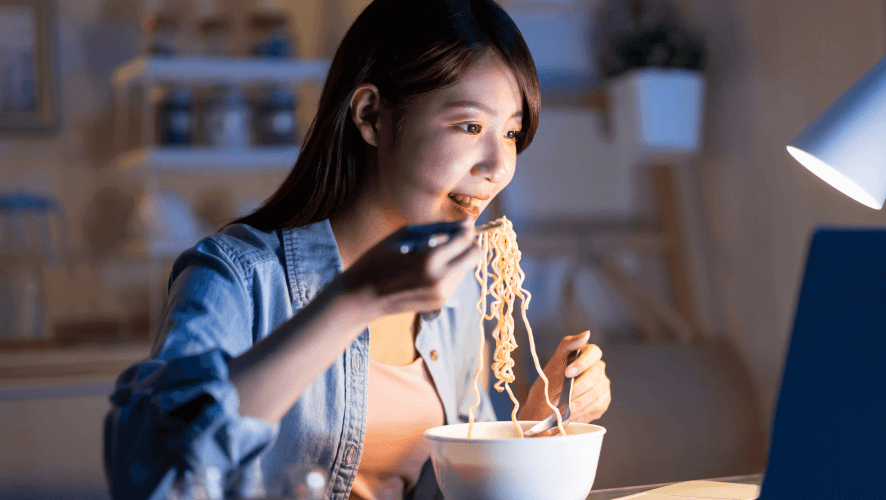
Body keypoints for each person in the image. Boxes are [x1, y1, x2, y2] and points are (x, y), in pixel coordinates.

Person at [103, 1, 612, 499]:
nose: (499, 166)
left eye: (511, 133)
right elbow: (153, 475)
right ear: (371, 116)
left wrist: (533, 422)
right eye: (470, 126)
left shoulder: (457, 291)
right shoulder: (236, 274)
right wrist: (353, 301)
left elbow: (457, 488)